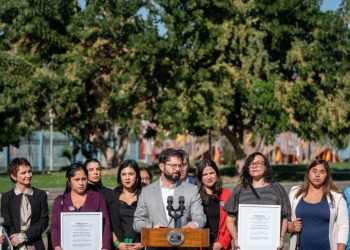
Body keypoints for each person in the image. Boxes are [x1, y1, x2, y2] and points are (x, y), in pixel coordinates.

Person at [224, 152, 290, 250]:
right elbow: (230, 220)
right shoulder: (239, 189)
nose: (254, 166)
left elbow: (284, 217)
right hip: (245, 246)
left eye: (258, 163)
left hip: (271, 245)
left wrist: (281, 238)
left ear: (266, 167)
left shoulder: (277, 188)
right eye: (251, 163)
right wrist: (237, 238)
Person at [133, 148, 206, 231]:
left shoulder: (192, 190)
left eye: (179, 166)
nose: (178, 169)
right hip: (156, 242)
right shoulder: (146, 192)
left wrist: (195, 224)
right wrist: (152, 227)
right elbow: (137, 222)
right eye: (173, 165)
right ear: (161, 166)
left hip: (183, 241)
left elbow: (200, 217)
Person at [288, 159, 349, 250]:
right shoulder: (294, 193)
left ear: (326, 176)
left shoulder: (337, 197)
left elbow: (343, 226)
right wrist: (291, 227)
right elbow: (285, 220)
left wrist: (340, 248)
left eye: (322, 172)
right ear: (308, 174)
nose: (317, 175)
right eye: (314, 171)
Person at [50, 162, 111, 250]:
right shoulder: (60, 201)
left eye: (84, 179)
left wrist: (105, 247)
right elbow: (55, 226)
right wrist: (57, 246)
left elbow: (106, 224)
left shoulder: (98, 198)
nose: (81, 183)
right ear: (69, 181)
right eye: (77, 179)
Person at [1, 157, 49, 250]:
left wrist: (22, 237)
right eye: (23, 173)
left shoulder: (40, 195)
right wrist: (16, 241)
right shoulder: (6, 197)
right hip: (14, 245)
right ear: (14, 176)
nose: (28, 175)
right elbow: (7, 223)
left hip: (35, 245)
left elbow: (43, 222)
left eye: (29, 171)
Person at [196, 159, 232, 250]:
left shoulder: (226, 194)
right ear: (200, 177)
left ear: (216, 174)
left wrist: (221, 243)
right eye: (205, 174)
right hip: (199, 244)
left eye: (211, 173)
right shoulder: (195, 195)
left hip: (220, 244)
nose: (209, 177)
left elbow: (231, 221)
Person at [108, 160, 143, 250]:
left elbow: (152, 222)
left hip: (141, 246)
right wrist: (117, 244)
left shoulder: (145, 194)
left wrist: (143, 244)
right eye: (124, 174)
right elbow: (107, 224)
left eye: (131, 174)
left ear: (137, 175)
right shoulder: (112, 196)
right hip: (119, 247)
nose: (127, 178)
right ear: (120, 176)